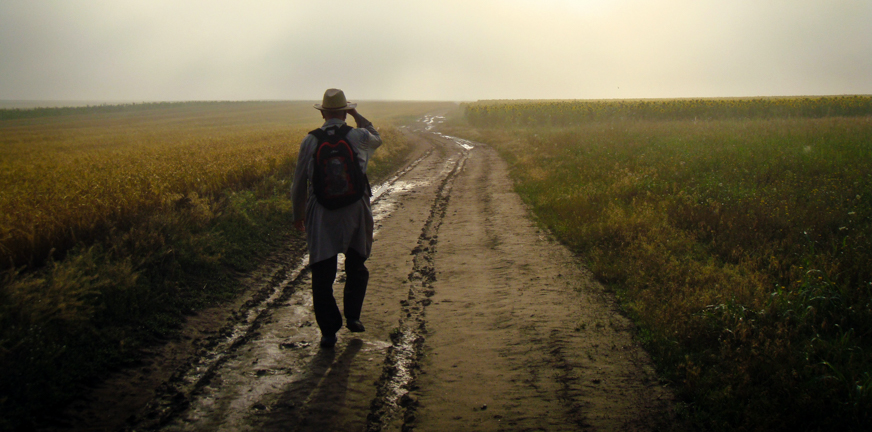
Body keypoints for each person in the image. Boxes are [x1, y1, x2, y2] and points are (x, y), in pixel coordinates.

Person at [291, 88, 382, 348]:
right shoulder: (357, 136)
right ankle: (353, 316)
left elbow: (299, 182)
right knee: (356, 264)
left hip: (321, 212)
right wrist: (357, 115)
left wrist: (298, 214)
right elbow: (378, 138)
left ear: (323, 113)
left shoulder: (310, 141)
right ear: (344, 111)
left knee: (322, 272)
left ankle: (329, 331)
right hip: (356, 210)